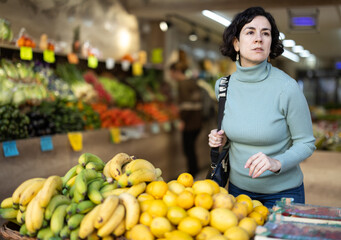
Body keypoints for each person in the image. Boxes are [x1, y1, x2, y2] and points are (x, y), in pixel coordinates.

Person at [208, 7, 316, 208]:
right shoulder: (223, 86)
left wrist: (277, 163)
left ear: (270, 43)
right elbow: (238, 131)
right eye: (250, 32)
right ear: (236, 44)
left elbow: (307, 143)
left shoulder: (287, 88)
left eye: (265, 33)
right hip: (238, 192)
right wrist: (221, 138)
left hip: (283, 194)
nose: (259, 38)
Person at [170, 62, 203, 177]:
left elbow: (186, 105)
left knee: (188, 149)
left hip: (190, 123)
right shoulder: (192, 82)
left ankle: (192, 173)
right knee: (191, 149)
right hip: (198, 122)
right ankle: (195, 171)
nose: (171, 76)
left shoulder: (182, 84)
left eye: (171, 73)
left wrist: (182, 120)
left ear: (177, 72)